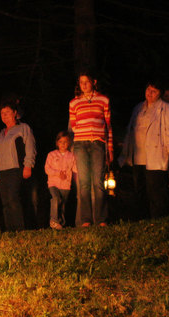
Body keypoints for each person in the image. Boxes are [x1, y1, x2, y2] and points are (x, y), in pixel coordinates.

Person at [120, 81, 169, 218]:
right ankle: (142, 220)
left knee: (156, 191)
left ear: (160, 94)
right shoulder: (138, 108)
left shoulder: (167, 108)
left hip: (155, 154)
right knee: (140, 190)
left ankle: (158, 220)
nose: (150, 93)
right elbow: (130, 130)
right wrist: (125, 151)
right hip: (138, 155)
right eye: (148, 89)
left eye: (154, 91)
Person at [68, 71, 113, 226]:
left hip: (98, 142)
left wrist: (110, 149)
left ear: (93, 82)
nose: (84, 85)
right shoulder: (74, 103)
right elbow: (74, 126)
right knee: (84, 181)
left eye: (86, 81)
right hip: (81, 143)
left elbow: (108, 126)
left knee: (98, 181)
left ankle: (101, 219)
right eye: (81, 82)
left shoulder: (103, 100)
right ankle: (86, 219)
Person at [0, 102, 37, 231]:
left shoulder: (23, 128)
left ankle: (20, 229)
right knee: (5, 203)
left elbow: (30, 147)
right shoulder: (0, 134)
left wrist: (28, 165)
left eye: (7, 113)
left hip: (15, 169)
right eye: (2, 114)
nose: (4, 116)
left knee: (13, 199)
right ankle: (11, 230)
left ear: (15, 113)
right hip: (1, 171)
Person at [45, 131, 77, 229]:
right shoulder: (51, 155)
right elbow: (47, 168)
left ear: (69, 143)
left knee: (62, 205)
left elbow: (75, 169)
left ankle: (61, 223)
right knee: (56, 199)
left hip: (65, 185)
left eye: (65, 142)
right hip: (53, 183)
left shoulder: (71, 156)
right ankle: (53, 220)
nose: (63, 144)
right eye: (60, 141)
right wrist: (57, 173)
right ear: (57, 143)